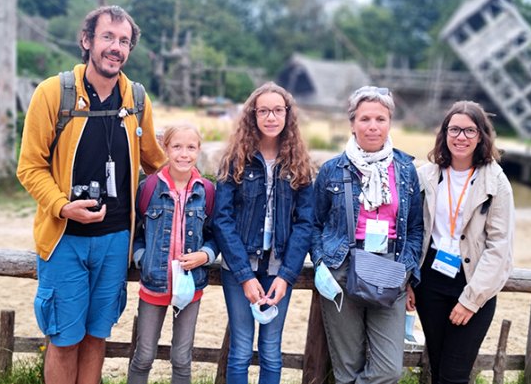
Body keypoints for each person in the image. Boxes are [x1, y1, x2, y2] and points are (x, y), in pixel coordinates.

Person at [16, 6, 165, 384]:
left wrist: (201, 185)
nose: (116, 48)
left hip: (116, 239)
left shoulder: (136, 99)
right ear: (87, 41)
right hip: (65, 237)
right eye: (108, 38)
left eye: (124, 41)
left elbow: (156, 164)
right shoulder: (54, 93)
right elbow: (29, 167)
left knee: (97, 336)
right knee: (64, 340)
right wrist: (63, 206)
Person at [311, 86, 424, 384]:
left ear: (390, 123)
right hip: (343, 267)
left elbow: (414, 227)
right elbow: (313, 222)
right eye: (365, 119)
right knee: (347, 366)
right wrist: (322, 262)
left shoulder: (406, 169)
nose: (373, 126)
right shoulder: (332, 170)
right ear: (352, 123)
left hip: (390, 267)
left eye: (380, 119)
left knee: (388, 369)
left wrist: (407, 269)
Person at [213, 82, 314, 384]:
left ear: (287, 115)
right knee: (241, 349)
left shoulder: (300, 165)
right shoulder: (235, 160)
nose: (271, 117)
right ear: (253, 116)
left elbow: (305, 223)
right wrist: (244, 275)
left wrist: (286, 276)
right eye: (264, 111)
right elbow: (222, 218)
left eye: (278, 110)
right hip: (239, 268)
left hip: (279, 268)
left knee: (271, 350)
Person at [409, 100, 514, 384]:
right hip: (430, 282)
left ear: (481, 135)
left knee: (455, 374)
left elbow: (500, 246)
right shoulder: (426, 175)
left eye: (469, 131)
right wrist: (409, 279)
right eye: (454, 129)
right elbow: (412, 230)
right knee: (439, 367)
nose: (461, 137)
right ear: (444, 134)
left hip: (472, 281)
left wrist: (470, 300)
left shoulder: (496, 181)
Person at [127, 123, 218, 384]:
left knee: (181, 358)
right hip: (154, 285)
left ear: (199, 150)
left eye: (191, 147)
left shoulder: (207, 191)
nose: (184, 154)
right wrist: (143, 258)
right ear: (165, 149)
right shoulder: (148, 188)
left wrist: (205, 255)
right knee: (143, 355)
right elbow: (134, 233)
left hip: (190, 287)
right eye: (177, 146)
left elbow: (215, 235)